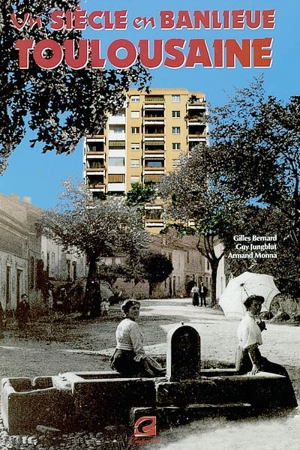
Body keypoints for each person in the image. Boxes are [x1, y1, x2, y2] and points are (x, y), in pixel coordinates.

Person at [236, 294, 292, 378]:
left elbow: (250, 337)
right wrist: (255, 364)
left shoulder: (250, 319)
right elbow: (250, 346)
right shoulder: (249, 322)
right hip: (248, 359)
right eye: (255, 305)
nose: (258, 307)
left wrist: (260, 328)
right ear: (248, 306)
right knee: (281, 371)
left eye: (260, 305)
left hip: (245, 356)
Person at [110, 299, 165, 377]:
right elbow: (138, 349)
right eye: (133, 308)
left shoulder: (122, 323)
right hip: (127, 359)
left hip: (117, 359)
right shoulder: (132, 325)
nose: (136, 311)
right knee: (158, 372)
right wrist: (147, 368)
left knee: (155, 363)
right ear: (127, 311)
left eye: (138, 308)